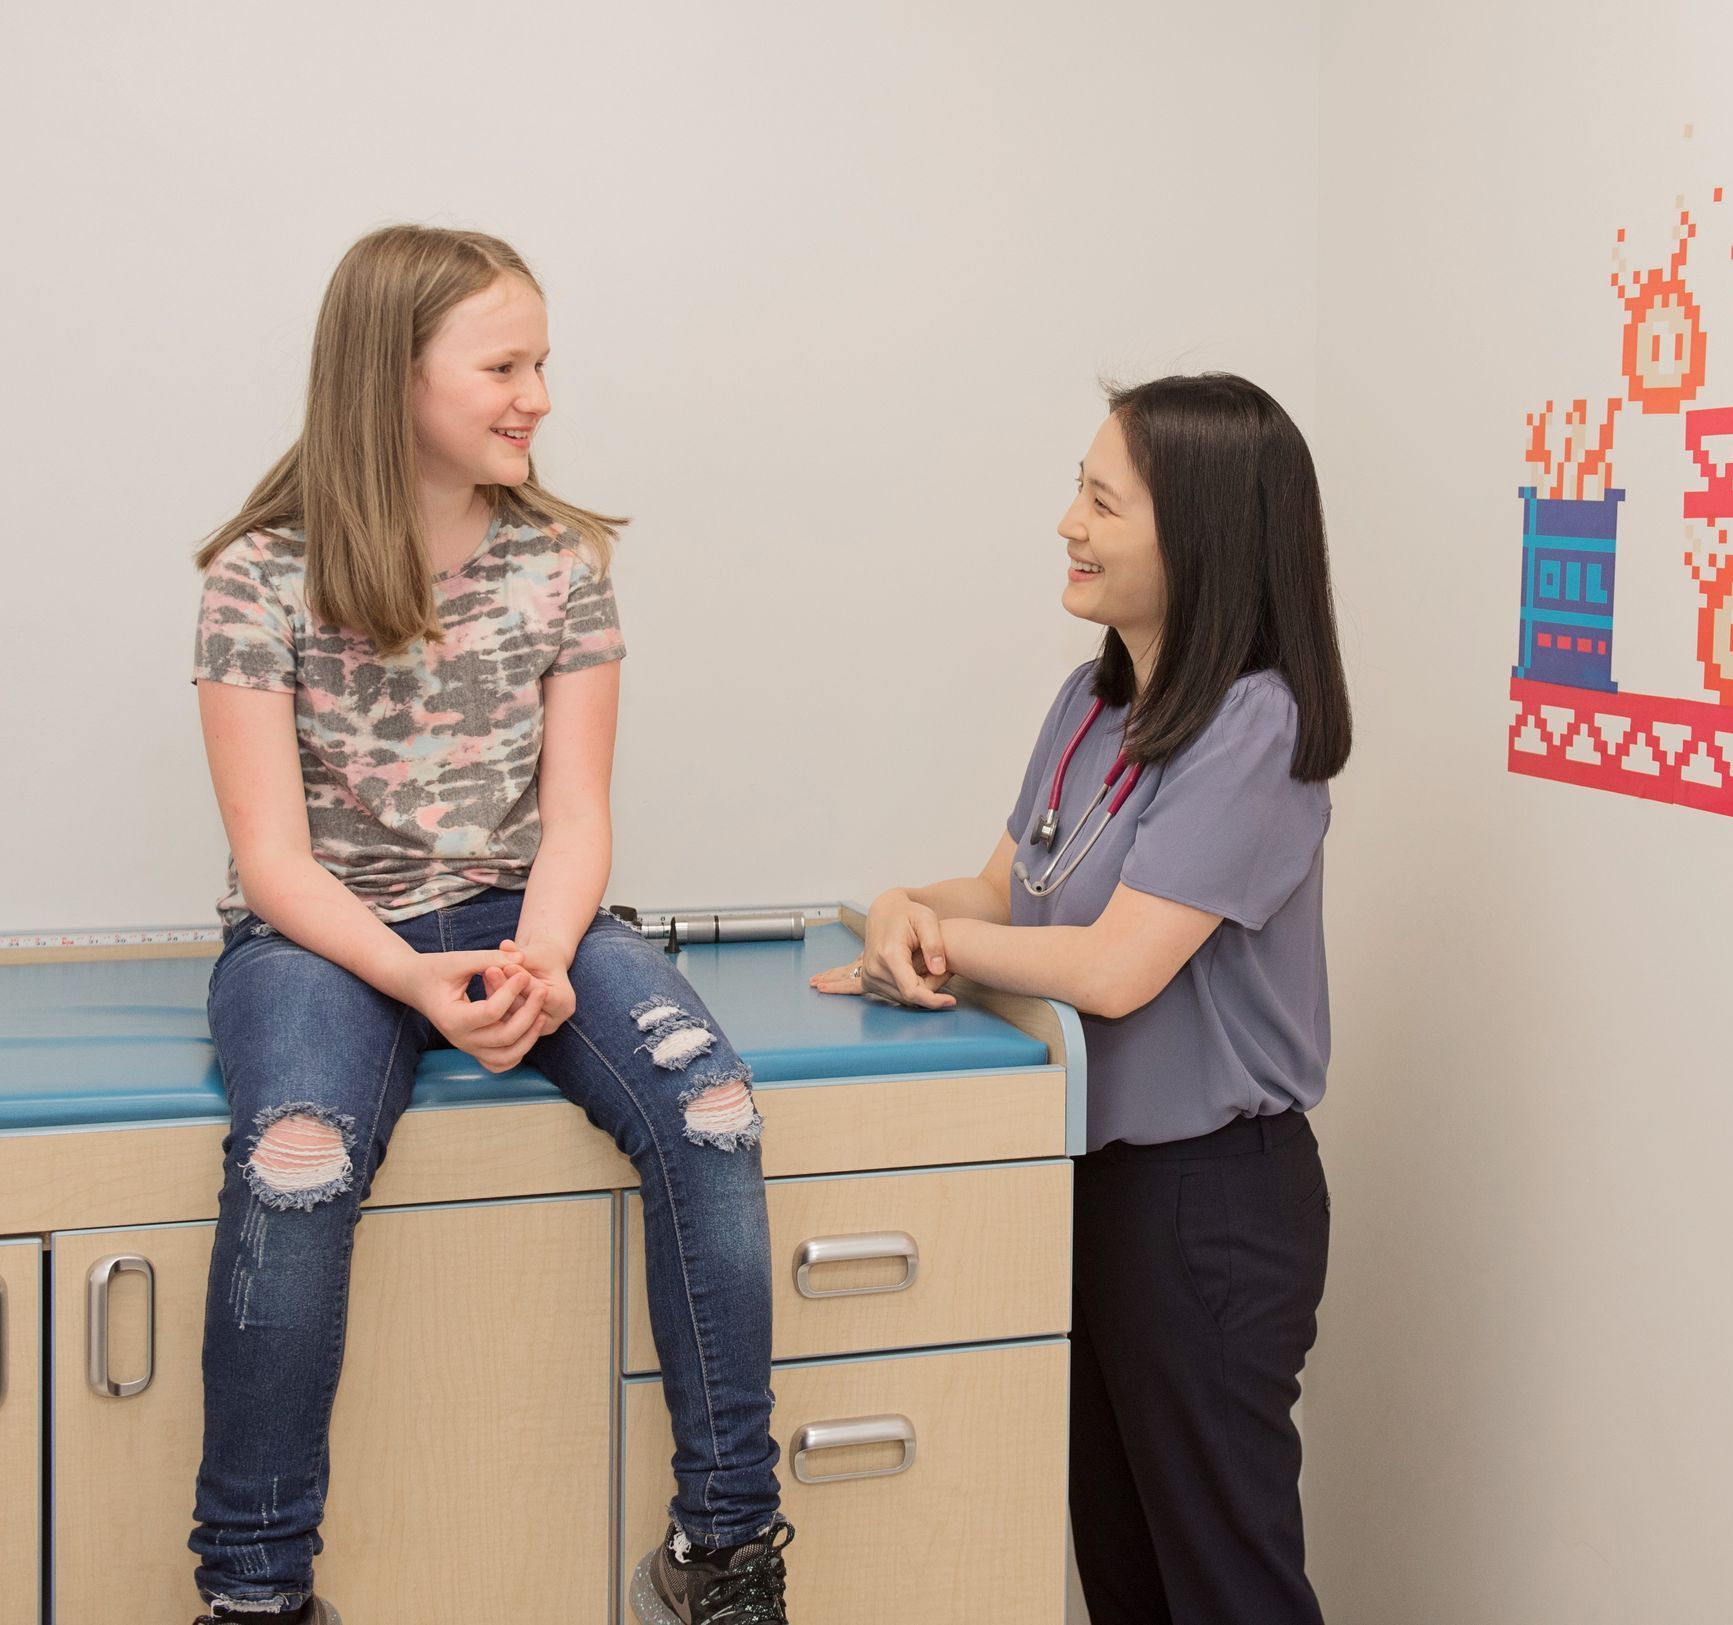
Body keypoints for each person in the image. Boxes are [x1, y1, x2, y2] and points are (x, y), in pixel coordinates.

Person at [188, 225, 791, 1625]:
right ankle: (254, 1593)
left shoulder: (561, 566)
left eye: (542, 364)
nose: (538, 396)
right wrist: (413, 972)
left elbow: (576, 815)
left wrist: (532, 953)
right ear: (390, 378)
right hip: (325, 935)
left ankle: (728, 1552)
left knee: (713, 1109)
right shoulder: (256, 578)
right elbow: (274, 856)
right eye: (505, 365)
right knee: (295, 1158)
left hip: (534, 912)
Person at [811, 373, 1349, 1624]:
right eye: (1079, 489)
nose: (1069, 522)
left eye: (1103, 500)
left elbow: (1114, 965)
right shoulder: (1092, 702)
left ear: (1203, 534)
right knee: (1123, 1575)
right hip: (1082, 1175)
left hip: (1209, 1204)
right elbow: (1009, 891)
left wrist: (940, 938)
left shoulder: (1255, 727)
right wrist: (904, 903)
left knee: (1226, 1584)